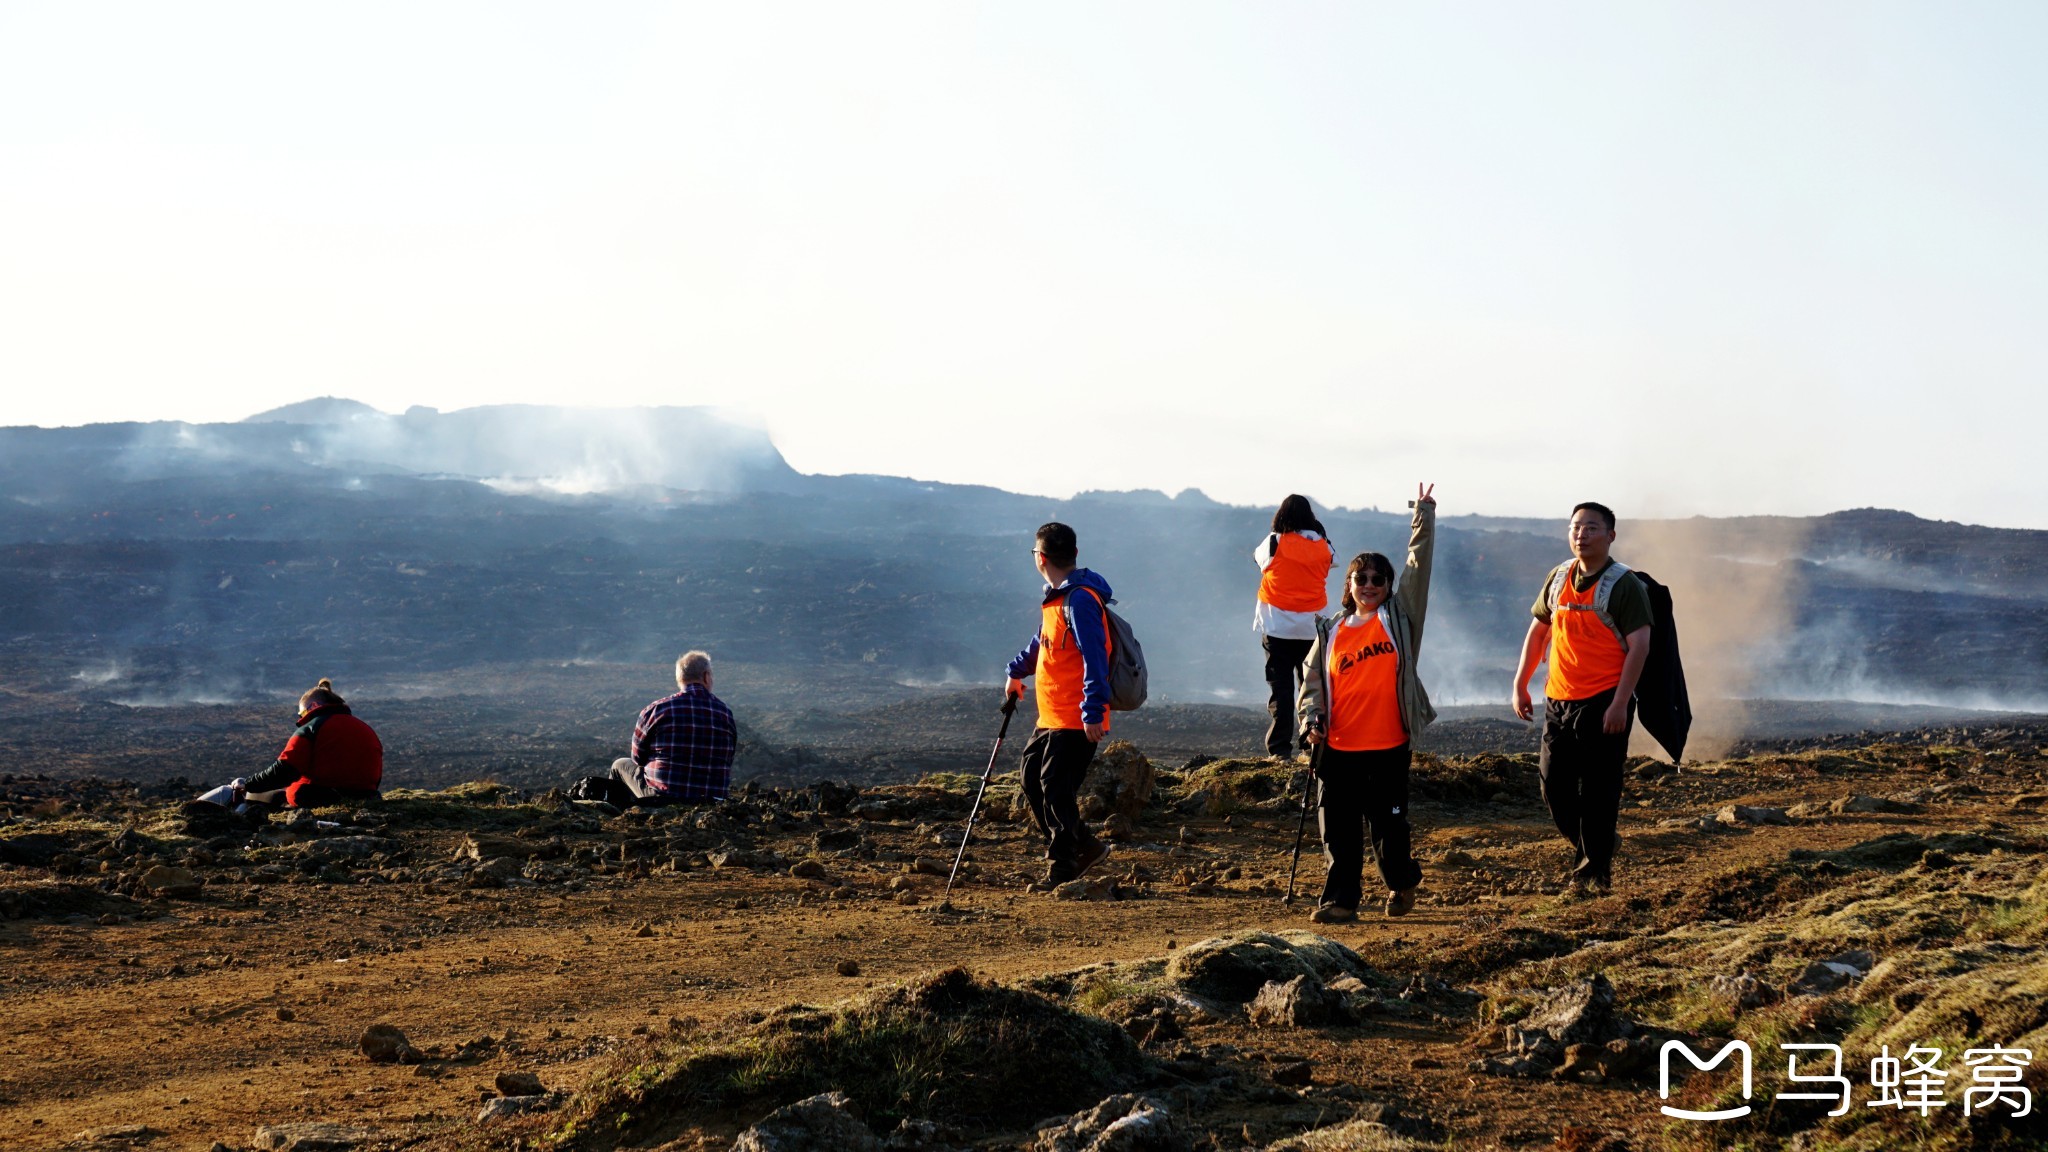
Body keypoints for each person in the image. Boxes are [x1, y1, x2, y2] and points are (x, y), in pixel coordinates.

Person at [1297, 485, 1438, 922]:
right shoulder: (1332, 630)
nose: (1370, 585)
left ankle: (1402, 881)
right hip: (1338, 747)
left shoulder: (1398, 618)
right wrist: (1310, 720)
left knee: (1388, 831)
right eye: (1362, 578)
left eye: (1379, 580)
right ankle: (1340, 902)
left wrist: (1423, 516)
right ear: (1349, 584)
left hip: (1389, 745)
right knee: (1337, 830)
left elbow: (1419, 568)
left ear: (1389, 586)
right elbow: (1312, 679)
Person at [1510, 502, 1654, 894]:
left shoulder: (1623, 585)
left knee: (1598, 792)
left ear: (1610, 535)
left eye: (1592, 527)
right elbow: (1538, 632)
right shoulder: (1559, 577)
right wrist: (1521, 683)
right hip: (1559, 700)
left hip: (1604, 700)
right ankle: (1598, 846)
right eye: (1576, 527)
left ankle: (1593, 878)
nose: (1581, 534)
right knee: (1552, 788)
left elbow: (1640, 645)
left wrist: (1621, 703)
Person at [1005, 522, 1116, 888]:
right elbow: (1041, 642)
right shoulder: (1057, 597)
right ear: (1073, 554)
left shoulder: (1080, 600)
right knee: (1031, 779)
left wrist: (1093, 712)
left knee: (1054, 786)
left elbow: (1095, 657)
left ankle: (1064, 865)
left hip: (1075, 715)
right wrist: (1016, 672)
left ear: (1041, 557)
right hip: (1051, 713)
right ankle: (1083, 845)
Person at [1253, 495, 1335, 759]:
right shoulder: (1323, 545)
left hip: (1276, 627)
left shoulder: (1275, 541)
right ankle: (1309, 746)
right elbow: (1331, 562)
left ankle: (1279, 750)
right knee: (1310, 689)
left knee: (1281, 689)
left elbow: (1259, 561)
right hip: (1312, 628)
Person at [611, 650, 739, 803]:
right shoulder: (725, 714)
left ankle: (622, 815)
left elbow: (638, 758)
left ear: (680, 678)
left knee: (619, 765)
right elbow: (728, 759)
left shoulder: (657, 710)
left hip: (664, 797)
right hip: (713, 800)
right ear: (706, 676)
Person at [234, 679, 383, 808]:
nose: (300, 718)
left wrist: (248, 784)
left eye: (301, 713)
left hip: (319, 797)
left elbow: (284, 770)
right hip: (368, 797)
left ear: (313, 707)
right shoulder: (366, 729)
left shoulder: (312, 728)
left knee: (260, 796)